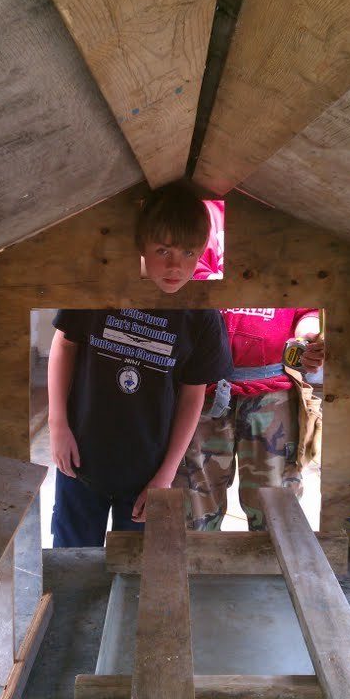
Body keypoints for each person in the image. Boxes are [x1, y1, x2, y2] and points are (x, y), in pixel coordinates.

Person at [48, 185, 233, 547]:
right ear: (141, 246)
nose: (175, 265)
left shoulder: (202, 317)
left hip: (146, 470)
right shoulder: (102, 289)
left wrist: (166, 474)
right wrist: (57, 424)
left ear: (202, 253)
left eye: (188, 252)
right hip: (80, 457)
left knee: (134, 566)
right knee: (70, 557)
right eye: (163, 250)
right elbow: (64, 343)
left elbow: (192, 395)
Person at [173, 308, 325, 531]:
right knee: (194, 495)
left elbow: (306, 310)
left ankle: (271, 554)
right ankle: (197, 553)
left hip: (271, 392)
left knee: (276, 497)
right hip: (200, 391)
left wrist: (308, 337)